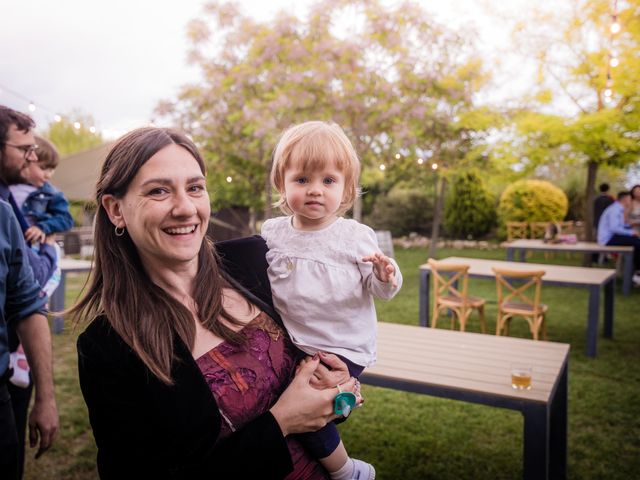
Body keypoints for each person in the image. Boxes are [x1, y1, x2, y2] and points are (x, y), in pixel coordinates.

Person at [71, 127, 361, 479]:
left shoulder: (255, 261)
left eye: (195, 188)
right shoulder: (107, 347)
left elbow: (315, 350)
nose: (185, 208)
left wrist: (336, 390)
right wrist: (281, 422)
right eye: (159, 191)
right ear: (116, 209)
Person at [262, 121, 403, 480]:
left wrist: (385, 276)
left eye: (328, 181)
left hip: (342, 346)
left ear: (345, 189)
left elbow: (380, 289)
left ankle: (347, 472)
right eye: (302, 179)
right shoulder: (273, 233)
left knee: (311, 410)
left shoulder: (353, 237)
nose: (314, 190)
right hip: (295, 343)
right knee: (281, 402)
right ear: (282, 183)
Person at [0, 106, 59, 479]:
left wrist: (47, 398)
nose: (31, 156)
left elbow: (26, 303)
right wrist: (49, 251)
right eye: (23, 148)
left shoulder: (6, 214)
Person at [597, 191, 640, 286]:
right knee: (637, 243)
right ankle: (637, 273)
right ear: (625, 200)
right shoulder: (615, 210)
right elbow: (614, 228)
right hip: (608, 239)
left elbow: (619, 226)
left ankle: (637, 272)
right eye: (629, 199)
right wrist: (632, 232)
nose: (631, 201)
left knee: (636, 243)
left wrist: (629, 226)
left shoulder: (617, 209)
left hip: (612, 237)